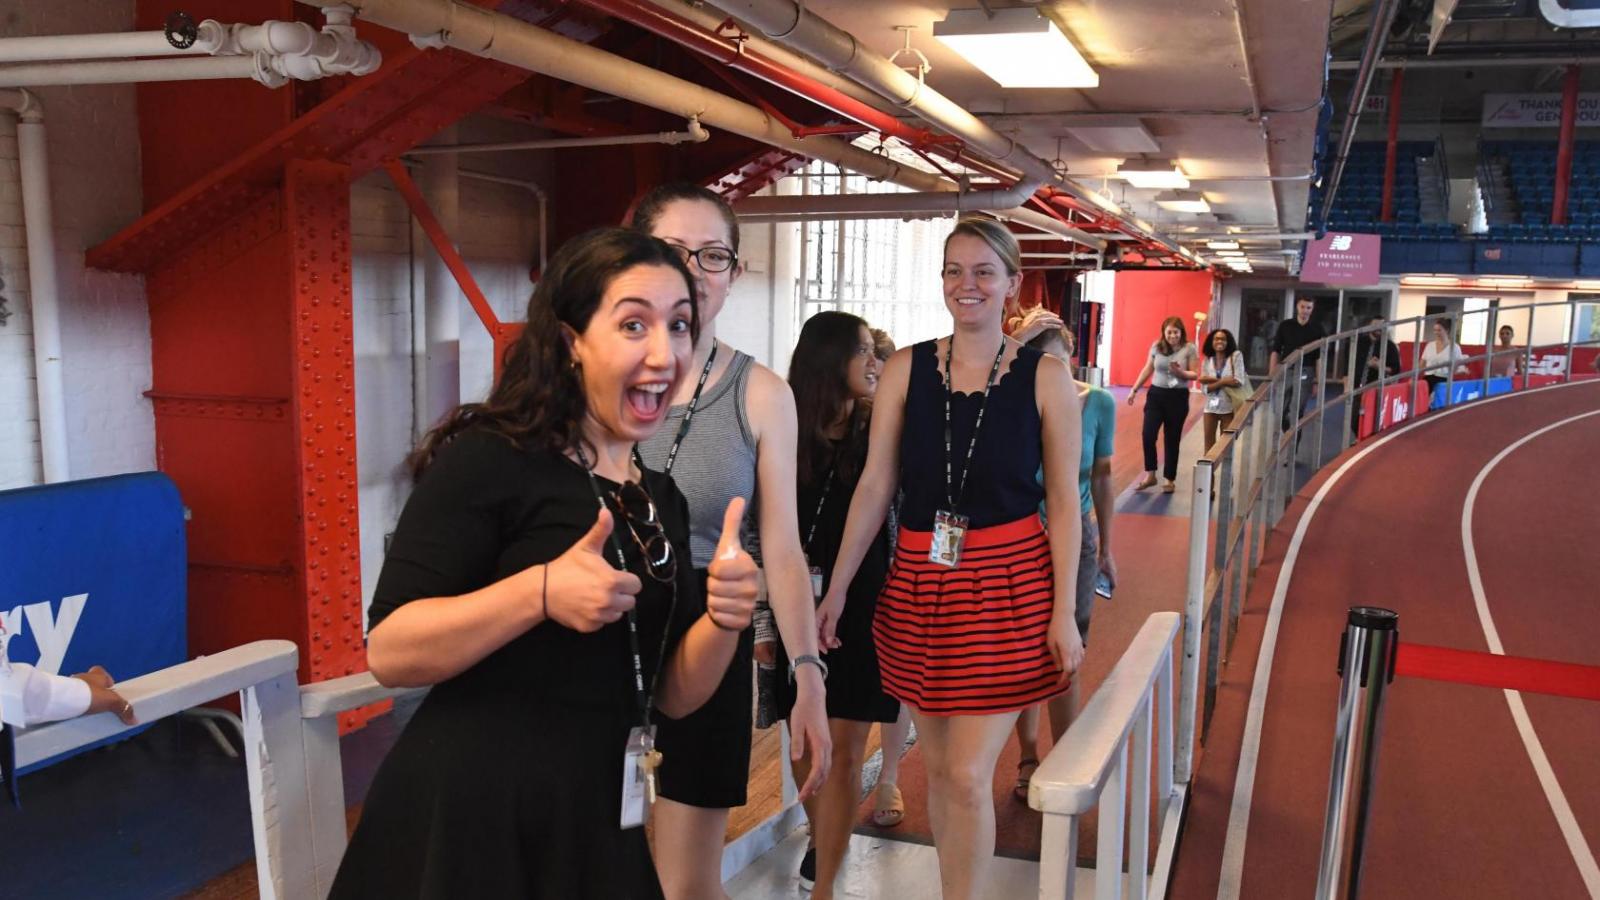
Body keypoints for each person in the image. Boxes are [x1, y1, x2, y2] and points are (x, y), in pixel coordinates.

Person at [329, 228, 760, 900]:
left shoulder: (660, 498)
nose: (663, 352)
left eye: (678, 326)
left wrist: (726, 620)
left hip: (591, 820)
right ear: (570, 345)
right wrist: (539, 591)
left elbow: (671, 694)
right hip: (473, 815)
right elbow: (390, 649)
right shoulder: (493, 461)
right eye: (632, 325)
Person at [820, 216, 1084, 900]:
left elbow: (1062, 503)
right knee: (938, 773)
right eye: (953, 271)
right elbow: (877, 484)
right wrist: (839, 588)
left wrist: (1065, 615)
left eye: (983, 272)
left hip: (1009, 586)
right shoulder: (907, 367)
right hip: (919, 581)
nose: (967, 285)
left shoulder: (1046, 378)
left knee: (967, 775)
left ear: (1011, 285)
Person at [628, 183, 831, 900]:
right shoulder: (595, 381)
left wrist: (807, 671)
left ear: (734, 273)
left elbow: (780, 548)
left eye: (713, 255)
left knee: (687, 885)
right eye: (673, 251)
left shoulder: (762, 394)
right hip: (603, 633)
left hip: (711, 634)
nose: (694, 270)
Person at [776, 311, 900, 898]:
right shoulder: (781, 427)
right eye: (863, 352)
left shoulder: (880, 429)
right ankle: (820, 831)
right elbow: (759, 529)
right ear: (830, 359)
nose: (873, 362)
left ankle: (827, 881)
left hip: (866, 601)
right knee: (802, 738)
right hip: (792, 601)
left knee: (849, 743)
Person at [1009, 326, 1117, 802]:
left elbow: (1103, 476)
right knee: (1023, 647)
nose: (1048, 373)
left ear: (1072, 356)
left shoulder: (1098, 404)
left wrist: (1108, 546)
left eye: (1056, 361)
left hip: (1077, 538)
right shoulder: (1015, 405)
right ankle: (1029, 755)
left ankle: (1066, 755)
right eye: (1038, 364)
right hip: (1021, 539)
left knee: (1067, 647)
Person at [865, 327, 911, 831]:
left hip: (902, 566)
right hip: (844, 571)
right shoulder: (821, 432)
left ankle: (890, 775)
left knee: (896, 680)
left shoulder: (908, 427)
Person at [1126, 316, 1199, 493]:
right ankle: (1150, 474)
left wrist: (1180, 372)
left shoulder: (1189, 348)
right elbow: (1148, 368)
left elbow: (1195, 374)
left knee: (1172, 438)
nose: (1172, 335)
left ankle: (1169, 479)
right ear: (1164, 333)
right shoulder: (1156, 347)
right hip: (1156, 395)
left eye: (1176, 332)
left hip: (1178, 396)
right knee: (1148, 434)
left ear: (1181, 332)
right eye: (1169, 332)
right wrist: (1134, 389)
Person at [1269, 296, 1326, 432]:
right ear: (1297, 307)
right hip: (1286, 370)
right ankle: (1287, 431)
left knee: (1297, 411)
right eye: (1302, 307)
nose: (1305, 310)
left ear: (1312, 309)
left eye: (1308, 308)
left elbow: (1319, 357)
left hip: (1306, 371)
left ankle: (1294, 442)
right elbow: (1276, 350)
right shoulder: (1285, 325)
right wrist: (1271, 375)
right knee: (1279, 409)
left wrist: (1318, 382)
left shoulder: (1317, 328)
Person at [1197, 328, 1250, 452]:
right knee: (1208, 447)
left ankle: (1226, 472)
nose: (1219, 341)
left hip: (1229, 408)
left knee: (1226, 447)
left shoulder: (1235, 356)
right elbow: (1204, 389)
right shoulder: (1207, 360)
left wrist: (1211, 380)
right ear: (1211, 341)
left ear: (1228, 342)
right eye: (1216, 339)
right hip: (1210, 408)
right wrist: (1224, 381)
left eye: (1223, 339)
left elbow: (1238, 380)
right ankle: (1210, 472)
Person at [1351, 315, 1401, 436]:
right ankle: (1359, 438)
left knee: (1372, 419)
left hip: (1376, 389)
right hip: (1357, 387)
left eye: (1382, 326)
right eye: (1375, 325)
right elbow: (1349, 364)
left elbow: (1396, 370)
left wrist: (1380, 366)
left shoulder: (1390, 346)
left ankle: (1365, 442)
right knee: (1354, 420)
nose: (1379, 329)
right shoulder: (1358, 343)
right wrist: (1346, 383)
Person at [1419, 317, 1468, 397]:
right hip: (1428, 379)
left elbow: (1458, 367)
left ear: (1447, 330)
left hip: (1443, 379)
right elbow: (1421, 364)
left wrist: (1462, 370)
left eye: (1439, 330)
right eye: (1435, 330)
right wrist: (1413, 377)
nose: (1436, 333)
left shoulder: (1455, 347)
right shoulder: (1429, 345)